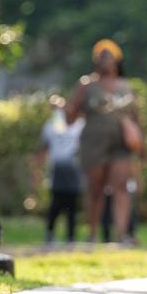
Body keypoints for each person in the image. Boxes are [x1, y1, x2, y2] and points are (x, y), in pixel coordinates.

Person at [65, 39, 142, 246]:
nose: (103, 59)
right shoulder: (86, 84)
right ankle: (92, 233)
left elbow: (135, 117)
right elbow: (71, 117)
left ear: (117, 59)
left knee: (121, 187)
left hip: (121, 143)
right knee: (96, 189)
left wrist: (141, 144)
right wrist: (64, 107)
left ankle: (121, 236)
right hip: (94, 143)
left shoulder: (126, 86)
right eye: (99, 56)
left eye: (108, 55)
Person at [31, 94, 84, 244]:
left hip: (74, 171)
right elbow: (43, 148)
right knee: (56, 204)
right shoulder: (53, 126)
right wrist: (36, 173)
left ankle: (71, 237)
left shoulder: (80, 125)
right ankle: (50, 235)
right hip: (57, 171)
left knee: (72, 205)